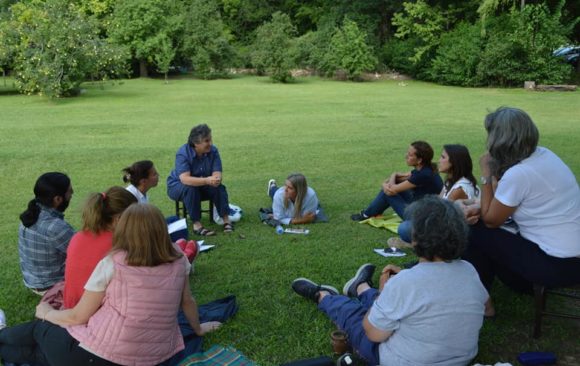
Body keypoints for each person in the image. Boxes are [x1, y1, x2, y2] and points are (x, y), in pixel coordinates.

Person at [0, 203, 221, 366]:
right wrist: (198, 329)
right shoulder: (179, 259)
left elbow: (77, 317)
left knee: (40, 331)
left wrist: (46, 312)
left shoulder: (113, 262)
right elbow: (188, 301)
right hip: (153, 359)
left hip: (98, 354)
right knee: (38, 356)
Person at [292, 196, 488, 366]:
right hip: (461, 360)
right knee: (395, 306)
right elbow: (488, 309)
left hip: (400, 360)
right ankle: (361, 288)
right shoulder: (468, 270)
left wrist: (385, 293)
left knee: (355, 317)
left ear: (416, 238)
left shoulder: (406, 282)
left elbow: (373, 334)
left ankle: (324, 296)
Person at [462, 107, 580, 317]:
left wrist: (486, 175)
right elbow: (506, 199)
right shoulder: (545, 155)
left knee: (475, 230)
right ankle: (493, 287)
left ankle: (481, 300)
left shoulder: (520, 173)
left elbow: (491, 221)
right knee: (483, 227)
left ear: (499, 140)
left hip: (556, 265)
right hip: (572, 257)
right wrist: (480, 207)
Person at [63, 186, 137, 309]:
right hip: (93, 313)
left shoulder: (78, 236)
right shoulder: (120, 244)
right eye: (135, 217)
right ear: (118, 219)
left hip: (70, 306)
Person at [392, 144, 479, 246]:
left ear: (454, 162)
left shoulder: (459, 189)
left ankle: (419, 245)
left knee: (404, 228)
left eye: (443, 157)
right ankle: (418, 242)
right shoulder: (451, 181)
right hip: (442, 223)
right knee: (413, 210)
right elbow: (439, 201)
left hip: (449, 233)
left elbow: (442, 218)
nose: (438, 161)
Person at [351, 141, 443, 222]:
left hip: (419, 218)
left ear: (419, 160)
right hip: (422, 209)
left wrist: (391, 177)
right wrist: (392, 179)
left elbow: (390, 191)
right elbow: (401, 179)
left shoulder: (423, 174)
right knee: (392, 187)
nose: (406, 156)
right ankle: (372, 212)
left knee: (387, 193)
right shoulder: (427, 168)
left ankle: (366, 214)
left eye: (410, 155)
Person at [167, 124, 232, 236]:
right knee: (191, 189)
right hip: (178, 186)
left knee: (219, 187)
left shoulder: (213, 151)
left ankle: (226, 220)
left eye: (210, 139)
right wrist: (207, 180)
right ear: (196, 143)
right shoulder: (183, 153)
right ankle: (197, 225)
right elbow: (185, 179)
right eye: (207, 141)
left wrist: (216, 179)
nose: (210, 143)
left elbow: (217, 171)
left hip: (202, 185)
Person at [18, 172, 75, 295]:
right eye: (70, 191)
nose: (72, 194)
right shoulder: (56, 227)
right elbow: (83, 253)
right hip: (51, 286)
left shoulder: (29, 216)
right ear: (58, 199)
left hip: (32, 280)